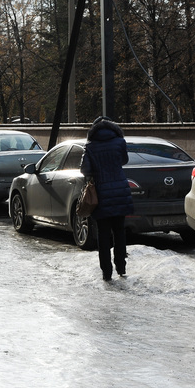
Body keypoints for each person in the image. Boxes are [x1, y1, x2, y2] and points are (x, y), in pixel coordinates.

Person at [80, 116, 134, 281]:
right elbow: (124, 160)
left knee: (103, 235)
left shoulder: (90, 147)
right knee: (119, 232)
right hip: (120, 191)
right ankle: (121, 267)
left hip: (101, 193)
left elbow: (85, 169)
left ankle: (106, 272)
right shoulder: (119, 143)